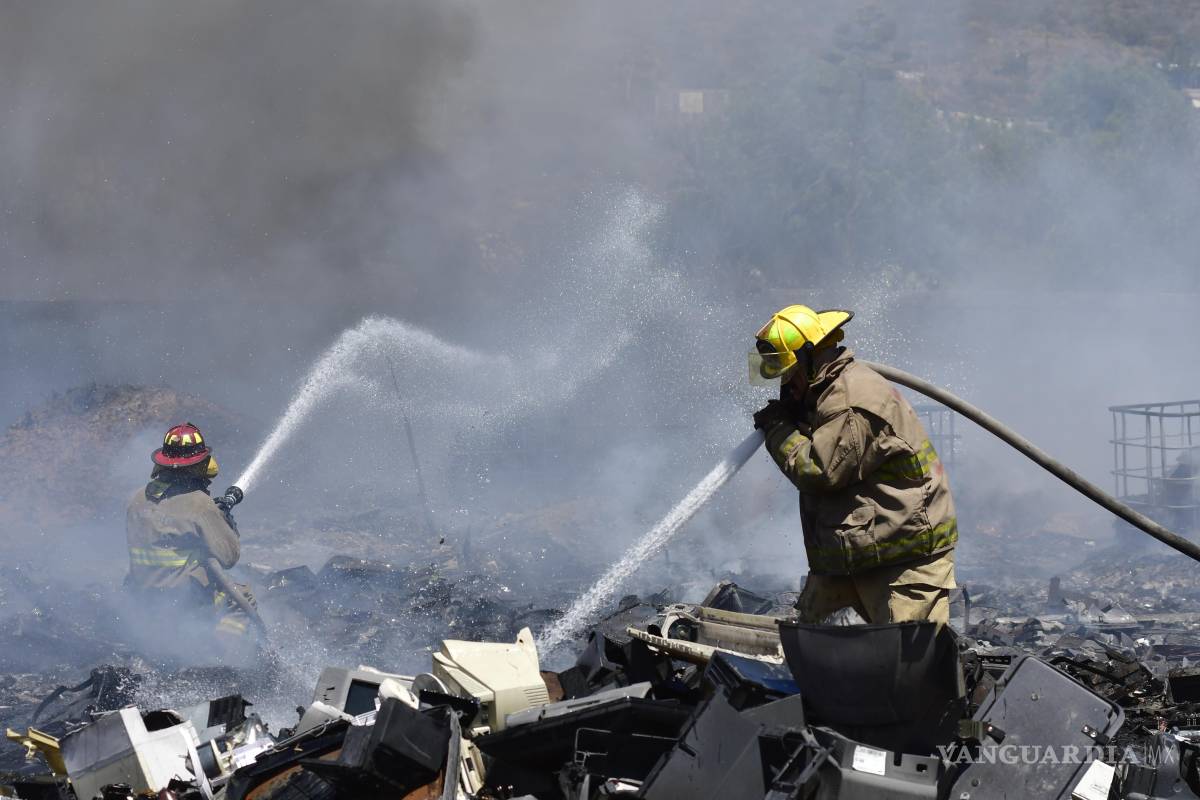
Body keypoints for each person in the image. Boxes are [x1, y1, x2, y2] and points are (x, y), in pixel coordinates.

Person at [749, 305, 958, 625]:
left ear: (809, 358)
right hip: (857, 554)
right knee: (810, 645)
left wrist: (779, 430)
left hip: (902, 565)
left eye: (788, 374)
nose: (785, 385)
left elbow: (818, 470)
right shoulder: (827, 392)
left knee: (905, 666)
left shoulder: (849, 400)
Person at [125, 422, 254, 651]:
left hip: (141, 596)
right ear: (196, 466)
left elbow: (166, 535)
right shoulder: (199, 505)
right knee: (242, 598)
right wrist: (223, 521)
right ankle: (221, 655)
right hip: (183, 602)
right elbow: (229, 558)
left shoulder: (137, 498)